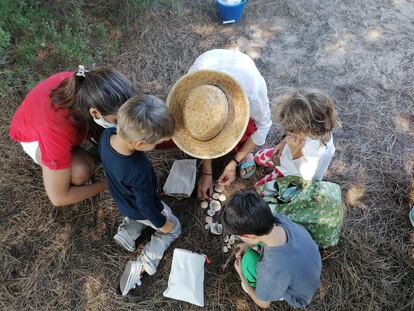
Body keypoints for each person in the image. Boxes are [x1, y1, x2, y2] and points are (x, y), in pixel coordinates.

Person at [9, 66, 136, 206]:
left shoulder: (91, 85)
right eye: (116, 121)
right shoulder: (55, 128)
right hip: (35, 137)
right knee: (81, 170)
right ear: (94, 113)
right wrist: (110, 184)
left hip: (64, 120)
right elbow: (58, 198)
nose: (120, 125)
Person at [99, 95, 181, 296]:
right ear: (140, 143)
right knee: (174, 228)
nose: (157, 146)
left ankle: (128, 233)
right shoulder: (138, 169)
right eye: (157, 143)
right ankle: (145, 263)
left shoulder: (107, 135)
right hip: (139, 207)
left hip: (122, 199)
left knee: (135, 214)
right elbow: (146, 205)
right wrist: (162, 223)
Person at [167, 49, 272, 199]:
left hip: (241, 67)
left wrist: (234, 162)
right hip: (211, 58)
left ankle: (246, 152)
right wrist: (207, 171)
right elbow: (204, 134)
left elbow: (264, 126)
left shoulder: (253, 94)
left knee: (250, 128)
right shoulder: (195, 93)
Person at [221, 190, 322, 309]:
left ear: (249, 236)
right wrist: (247, 244)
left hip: (298, 296)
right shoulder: (280, 219)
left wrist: (241, 275)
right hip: (310, 262)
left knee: (248, 262)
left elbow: (263, 304)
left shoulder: (270, 270)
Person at [254, 88, 341, 187]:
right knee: (258, 157)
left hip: (294, 173)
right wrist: (283, 142)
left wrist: (296, 152)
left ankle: (280, 174)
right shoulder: (309, 129)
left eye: (292, 131)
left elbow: (308, 177)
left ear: (309, 129)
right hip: (285, 158)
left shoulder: (318, 151)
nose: (288, 132)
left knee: (259, 188)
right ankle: (278, 166)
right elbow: (292, 132)